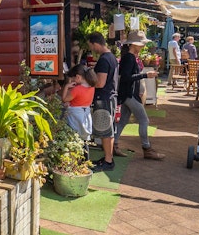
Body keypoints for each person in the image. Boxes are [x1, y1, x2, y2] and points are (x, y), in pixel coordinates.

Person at [110, 30, 166, 163]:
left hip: (128, 94)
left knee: (123, 120)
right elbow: (126, 78)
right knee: (144, 120)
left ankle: (114, 145)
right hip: (129, 94)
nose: (143, 46)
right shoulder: (129, 58)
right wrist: (146, 75)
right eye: (141, 44)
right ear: (134, 44)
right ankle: (147, 148)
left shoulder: (128, 57)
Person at [87, 32, 119, 170]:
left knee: (105, 131)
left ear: (95, 44)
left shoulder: (104, 59)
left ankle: (108, 161)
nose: (91, 49)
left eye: (91, 46)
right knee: (109, 130)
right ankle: (108, 158)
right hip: (110, 97)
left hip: (103, 98)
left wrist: (86, 81)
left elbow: (100, 83)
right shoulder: (111, 57)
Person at [62, 64, 97, 142]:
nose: (72, 81)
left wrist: (67, 86)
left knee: (73, 134)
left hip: (75, 114)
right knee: (84, 137)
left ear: (78, 77)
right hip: (86, 112)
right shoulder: (92, 87)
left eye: (72, 79)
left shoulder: (77, 89)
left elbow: (64, 99)